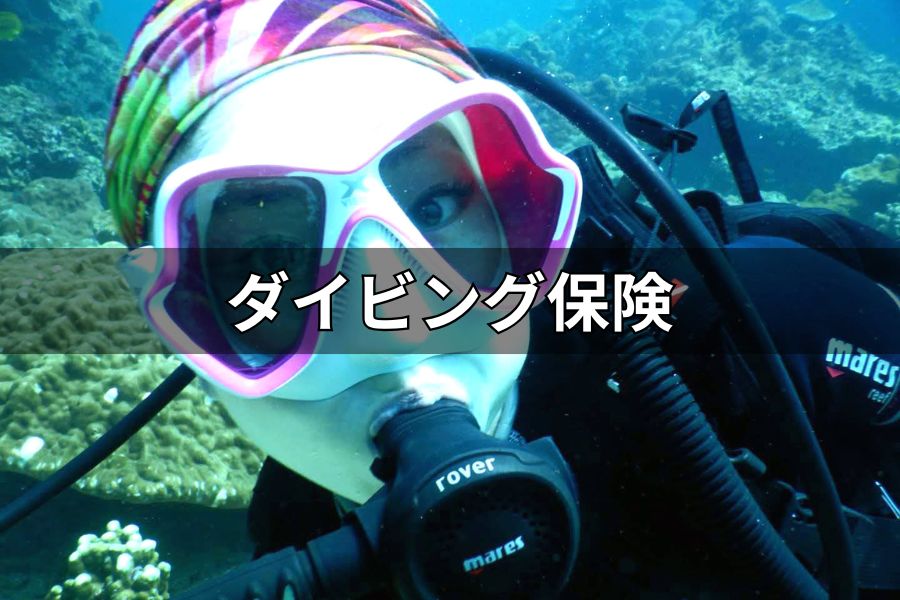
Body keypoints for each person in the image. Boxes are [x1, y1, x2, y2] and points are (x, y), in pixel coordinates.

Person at [105, 0, 900, 597]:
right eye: (275, 258)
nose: (400, 321)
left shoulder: (757, 337)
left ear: (519, 212)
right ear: (181, 318)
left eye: (434, 206)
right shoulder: (292, 532)